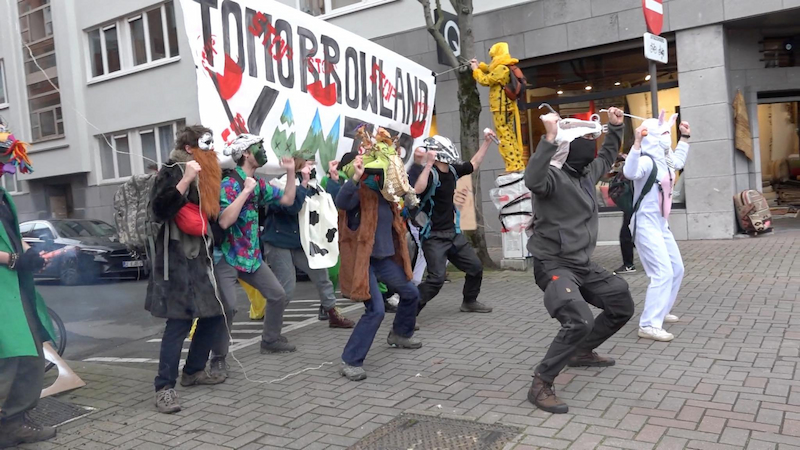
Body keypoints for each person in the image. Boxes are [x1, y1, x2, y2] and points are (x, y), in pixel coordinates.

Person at [524, 108, 635, 414]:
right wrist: (547, 139)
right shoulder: (550, 178)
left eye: (591, 137)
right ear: (568, 145)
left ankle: (582, 351)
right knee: (579, 320)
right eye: (585, 138)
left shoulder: (586, 173)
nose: (591, 143)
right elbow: (531, 178)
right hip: (553, 264)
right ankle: (541, 384)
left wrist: (615, 127)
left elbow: (609, 153)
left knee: (621, 301)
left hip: (582, 264)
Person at [146, 125, 227, 414]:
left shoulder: (206, 175)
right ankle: (164, 388)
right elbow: (158, 210)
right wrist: (186, 179)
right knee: (179, 323)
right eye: (205, 145)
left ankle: (192, 371)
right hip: (175, 260)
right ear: (190, 148)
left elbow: (210, 218)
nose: (211, 150)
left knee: (215, 314)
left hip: (198, 258)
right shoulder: (172, 170)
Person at [329, 154, 421, 381]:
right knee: (376, 310)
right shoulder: (357, 192)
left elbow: (403, 215)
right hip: (363, 260)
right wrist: (355, 179)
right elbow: (341, 202)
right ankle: (350, 361)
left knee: (411, 293)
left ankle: (400, 334)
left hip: (384, 258)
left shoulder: (385, 193)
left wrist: (409, 197)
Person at [212, 134, 297, 374]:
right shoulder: (229, 184)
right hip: (228, 257)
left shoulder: (258, 183)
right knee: (228, 306)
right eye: (258, 147)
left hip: (251, 258)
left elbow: (288, 199)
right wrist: (244, 192)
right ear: (246, 153)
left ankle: (270, 340)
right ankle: (217, 358)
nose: (263, 150)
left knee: (278, 295)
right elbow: (225, 221)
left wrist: (290, 171)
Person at [0, 123, 58, 446]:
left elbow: (11, 233)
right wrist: (12, 259)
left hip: (15, 287)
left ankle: (14, 424)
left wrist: (29, 254)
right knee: (10, 360)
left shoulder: (3, 194)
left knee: (32, 357)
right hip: (2, 288)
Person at [409, 131, 495, 316]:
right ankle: (408, 315)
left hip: (453, 234)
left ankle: (469, 301)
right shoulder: (431, 174)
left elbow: (473, 164)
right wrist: (429, 163)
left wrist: (486, 142)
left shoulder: (453, 170)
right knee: (436, 279)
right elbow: (417, 189)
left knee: (475, 268)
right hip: (433, 237)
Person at [262, 158, 355, 329]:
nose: (311, 168)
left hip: (302, 242)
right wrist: (303, 184)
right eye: (307, 164)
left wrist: (334, 181)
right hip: (279, 242)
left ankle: (332, 312)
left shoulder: (313, 185)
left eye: (312, 164)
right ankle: (271, 328)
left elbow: (329, 205)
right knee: (286, 288)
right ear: (297, 166)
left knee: (322, 276)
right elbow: (291, 207)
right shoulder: (280, 184)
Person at [623, 111, 691, 342]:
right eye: (661, 133)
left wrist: (684, 138)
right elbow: (629, 172)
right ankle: (649, 324)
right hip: (645, 223)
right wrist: (637, 144)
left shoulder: (666, 160)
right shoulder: (645, 161)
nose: (665, 138)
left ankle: (662, 311)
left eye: (667, 133)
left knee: (677, 269)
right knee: (662, 272)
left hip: (661, 224)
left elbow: (678, 161)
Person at [471, 43, 525, 173]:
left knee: (504, 136)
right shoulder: (505, 66)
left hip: (501, 107)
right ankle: (517, 164)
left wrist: (475, 70)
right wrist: (481, 66)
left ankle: (512, 166)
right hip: (507, 107)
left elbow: (485, 80)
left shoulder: (501, 68)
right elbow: (490, 69)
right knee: (510, 135)